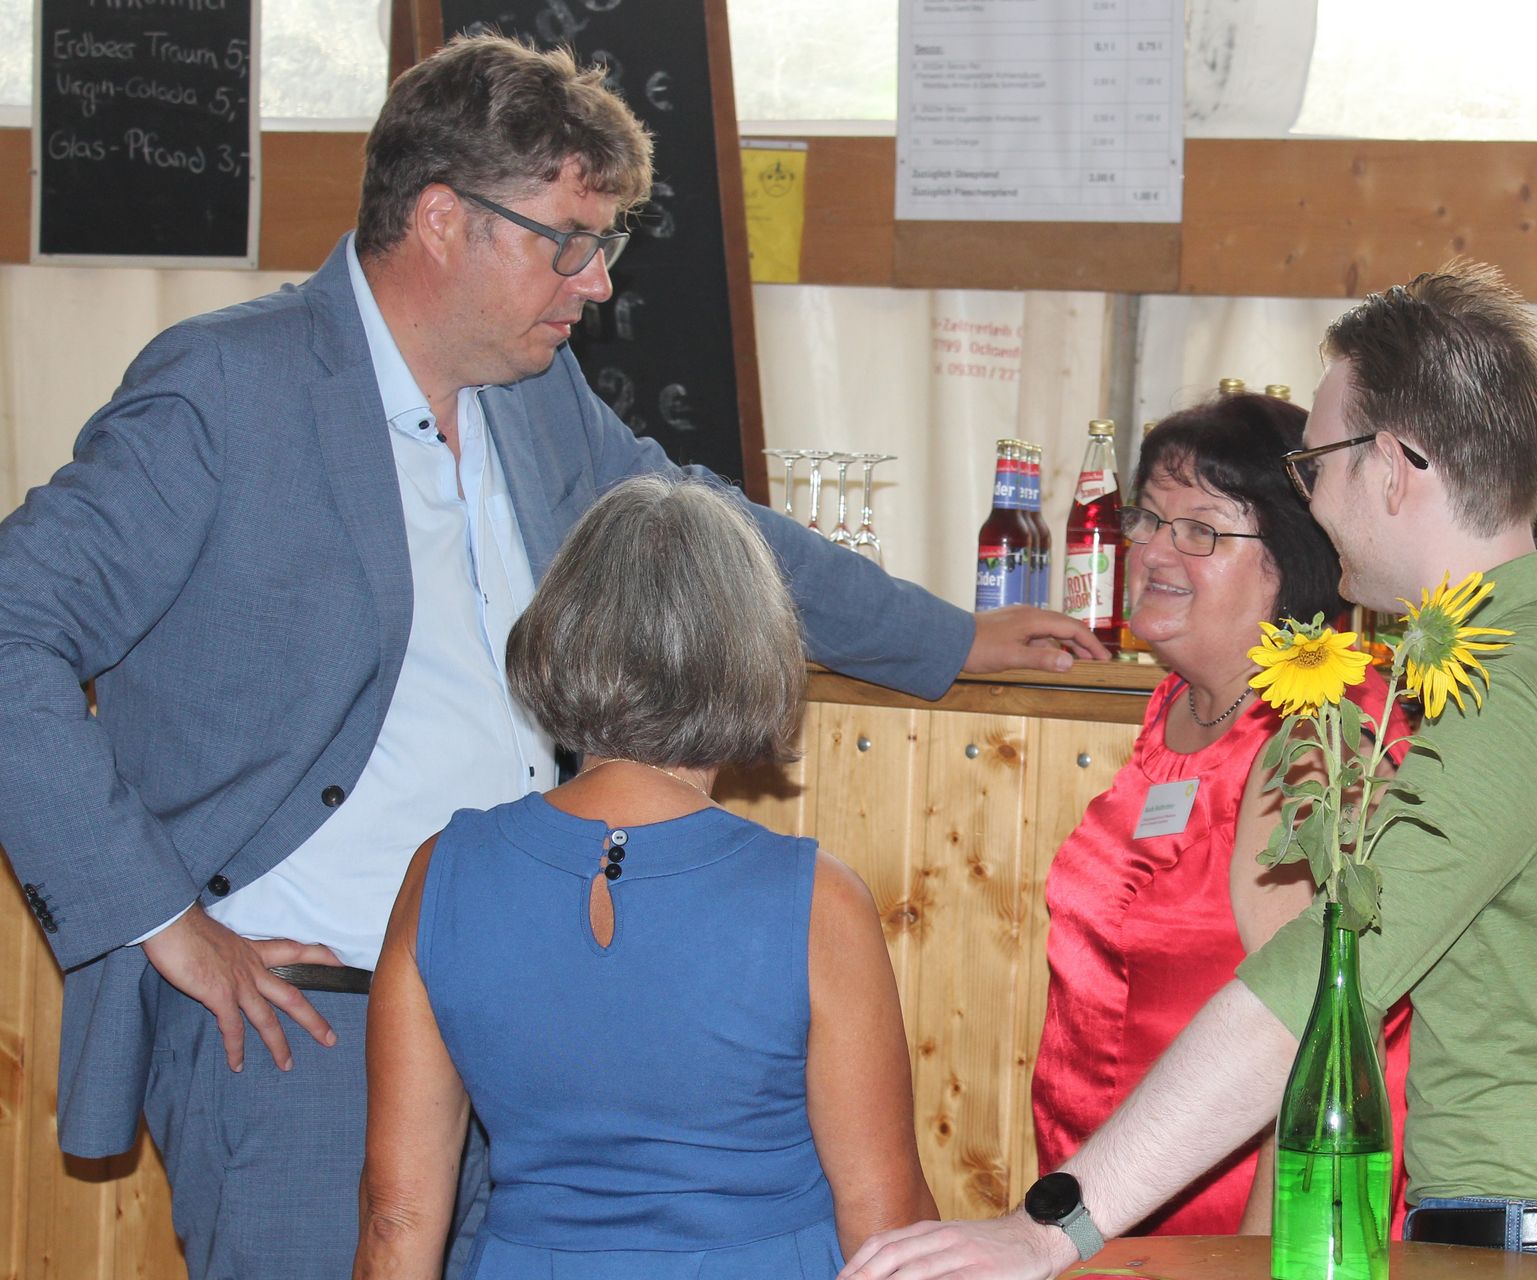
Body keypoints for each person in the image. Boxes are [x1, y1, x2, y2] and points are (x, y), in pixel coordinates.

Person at [0, 32, 1096, 1280]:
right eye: (567, 240)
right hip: (303, 1029)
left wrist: (947, 637)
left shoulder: (534, 391)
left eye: (605, 242)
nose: (598, 282)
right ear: (439, 218)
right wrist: (161, 918)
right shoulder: (225, 389)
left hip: (518, 1030)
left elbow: (706, 525)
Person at [839, 261, 1537, 1280]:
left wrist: (1049, 1228)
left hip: (1527, 1243)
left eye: (1315, 464)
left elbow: (1310, 993)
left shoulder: (1486, 693)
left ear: (1392, 466)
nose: (1310, 498)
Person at [352, 475, 937, 1279]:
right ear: (748, 656)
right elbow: (885, 1222)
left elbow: (397, 1219)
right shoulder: (815, 902)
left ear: (561, 635)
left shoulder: (442, 874)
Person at [1031, 391, 1413, 1237]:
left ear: (1293, 559)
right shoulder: (1176, 705)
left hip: (1233, 1239)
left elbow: (1315, 1037)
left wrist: (1265, 1256)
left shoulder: (1316, 734)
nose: (1152, 550)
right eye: (1148, 518)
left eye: (1201, 530)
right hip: (1100, 1214)